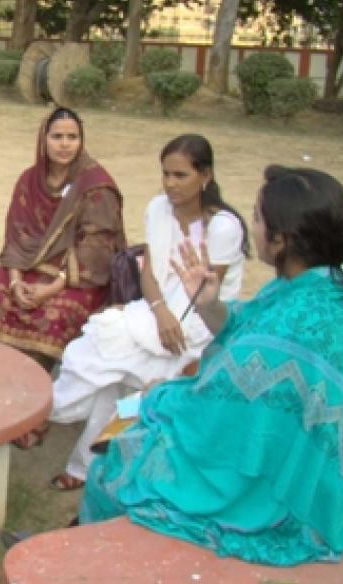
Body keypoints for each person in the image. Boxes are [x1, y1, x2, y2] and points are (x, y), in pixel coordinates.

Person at [79, 166, 343, 566]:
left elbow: (216, 414)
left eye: (257, 218)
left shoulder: (296, 326)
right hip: (327, 485)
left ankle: (88, 565)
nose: (253, 227)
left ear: (282, 240)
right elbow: (246, 335)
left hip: (290, 504)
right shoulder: (326, 286)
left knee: (111, 470)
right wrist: (208, 306)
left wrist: (154, 399)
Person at [44, 134, 248, 490]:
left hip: (203, 322)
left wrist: (163, 319)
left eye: (180, 176)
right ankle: (79, 458)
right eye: (166, 174)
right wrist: (157, 311)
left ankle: (46, 418)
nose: (170, 184)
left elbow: (207, 293)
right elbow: (149, 272)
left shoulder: (224, 227)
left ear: (206, 176)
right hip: (159, 311)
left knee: (114, 351)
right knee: (111, 361)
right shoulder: (158, 208)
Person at [0, 106, 126, 369]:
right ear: (44, 139)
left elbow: (96, 250)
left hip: (78, 276)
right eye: (57, 137)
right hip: (29, 266)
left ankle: (37, 377)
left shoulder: (96, 185)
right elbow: (16, 236)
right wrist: (14, 283)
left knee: (56, 313)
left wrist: (51, 289)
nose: (65, 145)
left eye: (72, 137)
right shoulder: (29, 180)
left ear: (81, 141)